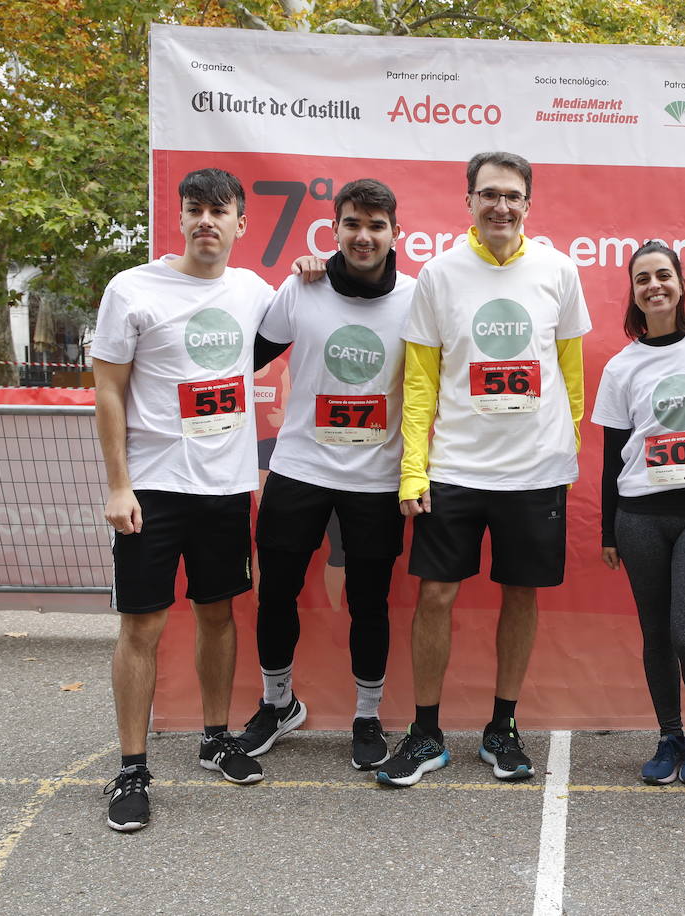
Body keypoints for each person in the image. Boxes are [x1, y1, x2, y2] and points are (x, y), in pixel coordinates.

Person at [376, 151, 591, 787]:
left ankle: (502, 728)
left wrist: (564, 447)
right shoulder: (438, 276)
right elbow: (418, 383)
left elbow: (572, 375)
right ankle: (426, 733)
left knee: (520, 594)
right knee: (435, 595)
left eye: (513, 195)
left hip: (535, 473)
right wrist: (414, 471)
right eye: (489, 194)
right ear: (468, 200)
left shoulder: (559, 269)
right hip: (456, 468)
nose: (502, 205)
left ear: (529, 204)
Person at [93, 168, 275, 832]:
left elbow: (303, 315)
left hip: (226, 489)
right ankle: (132, 766)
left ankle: (216, 736)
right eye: (195, 210)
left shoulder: (253, 290)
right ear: (180, 218)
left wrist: (315, 268)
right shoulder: (133, 289)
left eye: (218, 211)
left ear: (239, 223)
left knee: (218, 615)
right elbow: (108, 390)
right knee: (142, 626)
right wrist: (118, 484)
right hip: (152, 490)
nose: (206, 221)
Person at [233, 178, 415, 772]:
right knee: (277, 591)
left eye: (376, 225)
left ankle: (367, 715)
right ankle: (277, 703)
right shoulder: (301, 288)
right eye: (352, 225)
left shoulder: (416, 298)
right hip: (299, 467)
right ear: (334, 230)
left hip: (376, 476)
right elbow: (247, 359)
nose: (363, 237)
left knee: (370, 601)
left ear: (395, 233)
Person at [592, 242, 685, 786]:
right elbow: (611, 457)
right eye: (643, 278)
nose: (654, 286)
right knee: (655, 633)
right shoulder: (621, 366)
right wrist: (608, 529)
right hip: (639, 517)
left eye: (664, 276)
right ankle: (669, 733)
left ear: (680, 284)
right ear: (633, 292)